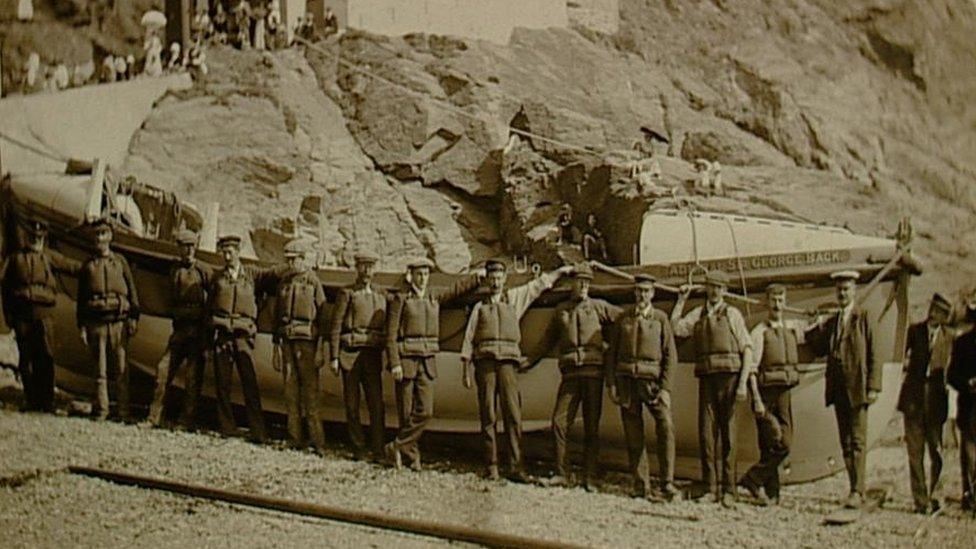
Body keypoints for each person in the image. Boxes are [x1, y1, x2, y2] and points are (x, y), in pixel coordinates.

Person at [459, 260, 572, 481]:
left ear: (504, 279)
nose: (496, 281)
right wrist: (465, 369)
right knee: (488, 415)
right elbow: (468, 339)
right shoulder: (479, 308)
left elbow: (538, 286)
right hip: (486, 365)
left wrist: (560, 271)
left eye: (499, 277)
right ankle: (491, 465)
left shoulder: (513, 299)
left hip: (508, 365)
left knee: (513, 413)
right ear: (487, 280)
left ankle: (515, 466)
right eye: (492, 277)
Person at [529, 264, 622, 489]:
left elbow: (625, 320)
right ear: (572, 284)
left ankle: (590, 476)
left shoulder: (599, 308)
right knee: (559, 423)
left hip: (593, 374)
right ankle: (562, 472)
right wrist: (529, 361)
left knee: (592, 426)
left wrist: (611, 347)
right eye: (580, 282)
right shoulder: (561, 310)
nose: (583, 286)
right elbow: (546, 341)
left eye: (587, 283)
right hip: (570, 374)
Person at [384, 258, 482, 471]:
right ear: (411, 276)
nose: (423, 278)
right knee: (406, 413)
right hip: (407, 361)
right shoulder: (400, 299)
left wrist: (477, 278)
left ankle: (396, 446)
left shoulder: (433, 297)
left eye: (426, 274)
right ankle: (411, 457)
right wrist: (394, 363)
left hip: (427, 362)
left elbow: (455, 290)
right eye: (419, 274)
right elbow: (390, 335)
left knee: (425, 411)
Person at [671, 270, 753, 507]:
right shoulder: (698, 313)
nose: (715, 291)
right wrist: (681, 300)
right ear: (706, 288)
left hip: (729, 379)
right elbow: (676, 327)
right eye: (711, 286)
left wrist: (742, 384)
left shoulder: (733, 314)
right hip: (707, 379)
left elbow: (747, 348)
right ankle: (711, 487)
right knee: (707, 434)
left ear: (725, 291)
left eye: (719, 287)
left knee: (728, 434)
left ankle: (729, 490)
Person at [807, 270, 882, 509]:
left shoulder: (864, 316)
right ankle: (853, 488)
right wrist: (813, 324)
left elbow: (874, 354)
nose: (842, 293)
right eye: (839, 289)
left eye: (846, 289)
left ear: (854, 291)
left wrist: (873, 386)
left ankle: (858, 491)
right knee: (846, 442)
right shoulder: (834, 321)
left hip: (857, 389)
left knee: (858, 441)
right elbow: (817, 346)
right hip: (839, 390)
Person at [607, 273, 679, 501]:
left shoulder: (660, 319)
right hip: (627, 382)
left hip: (652, 384)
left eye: (646, 291)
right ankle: (641, 484)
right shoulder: (624, 319)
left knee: (666, 426)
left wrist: (665, 389)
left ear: (653, 293)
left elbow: (670, 356)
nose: (642, 295)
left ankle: (667, 482)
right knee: (633, 434)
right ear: (634, 292)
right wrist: (611, 384)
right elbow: (611, 354)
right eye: (638, 291)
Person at [0, 219, 80, 412]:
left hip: (44, 315)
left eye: (39, 237)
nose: (36, 240)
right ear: (27, 237)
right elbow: (5, 287)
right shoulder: (14, 259)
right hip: (22, 315)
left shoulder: (50, 257)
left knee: (45, 356)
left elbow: (72, 267)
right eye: (32, 237)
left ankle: (46, 401)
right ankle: (31, 399)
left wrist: (91, 265)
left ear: (44, 238)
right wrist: (7, 315)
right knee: (26, 358)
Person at [739, 283, 808, 505]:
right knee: (770, 443)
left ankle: (752, 479)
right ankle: (771, 493)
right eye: (773, 300)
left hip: (784, 392)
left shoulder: (793, 327)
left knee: (784, 443)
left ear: (785, 302)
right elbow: (751, 369)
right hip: (765, 394)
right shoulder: (759, 333)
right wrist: (757, 400)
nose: (777, 305)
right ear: (766, 303)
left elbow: (814, 328)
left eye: (780, 300)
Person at [207, 234, 281, 441]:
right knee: (222, 384)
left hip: (242, 337)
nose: (226, 256)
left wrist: (291, 265)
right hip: (222, 336)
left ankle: (258, 431)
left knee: (250, 383)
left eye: (230, 252)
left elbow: (272, 274)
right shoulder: (218, 278)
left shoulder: (251, 275)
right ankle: (227, 427)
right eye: (224, 252)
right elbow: (210, 306)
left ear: (238, 252)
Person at [145, 230, 211, 428]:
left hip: (198, 331)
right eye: (185, 247)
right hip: (180, 330)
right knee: (163, 371)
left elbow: (213, 299)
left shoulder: (204, 271)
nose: (189, 251)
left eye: (191, 246)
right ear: (180, 249)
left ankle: (186, 420)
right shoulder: (175, 271)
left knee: (192, 379)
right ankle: (153, 417)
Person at [76, 219, 140, 421]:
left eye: (104, 234)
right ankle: (102, 410)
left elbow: (132, 292)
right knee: (100, 371)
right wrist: (82, 326)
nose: (100, 238)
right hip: (96, 324)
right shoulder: (88, 266)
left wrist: (134, 318)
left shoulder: (120, 262)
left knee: (122, 370)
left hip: (119, 324)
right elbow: (81, 299)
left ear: (110, 237)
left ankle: (123, 411)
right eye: (97, 234)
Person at [270, 240, 329, 453]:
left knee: (311, 394)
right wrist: (275, 348)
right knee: (290, 391)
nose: (290, 263)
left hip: (308, 345)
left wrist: (321, 349)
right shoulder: (283, 283)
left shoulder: (313, 282)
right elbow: (277, 317)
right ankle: (294, 437)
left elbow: (323, 318)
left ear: (302, 259)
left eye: (293, 259)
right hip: (287, 342)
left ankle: (318, 441)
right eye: (288, 259)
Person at [899, 293, 954, 514]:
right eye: (934, 309)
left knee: (938, 453)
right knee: (915, 454)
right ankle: (921, 501)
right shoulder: (914, 332)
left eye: (941, 312)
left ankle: (937, 496)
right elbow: (901, 356)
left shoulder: (949, 338)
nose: (935, 313)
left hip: (936, 404)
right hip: (913, 402)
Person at [329, 251, 388, 460]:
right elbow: (336, 324)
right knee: (352, 405)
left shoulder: (381, 295)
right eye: (363, 267)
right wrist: (334, 356)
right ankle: (359, 448)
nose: (366, 271)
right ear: (357, 269)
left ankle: (379, 449)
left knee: (376, 405)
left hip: (371, 356)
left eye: (370, 267)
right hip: (349, 355)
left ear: (375, 270)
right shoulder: (347, 293)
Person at [947, 291, 976, 516]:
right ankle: (971, 497)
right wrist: (967, 383)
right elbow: (951, 375)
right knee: (969, 454)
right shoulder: (962, 343)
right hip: (969, 407)